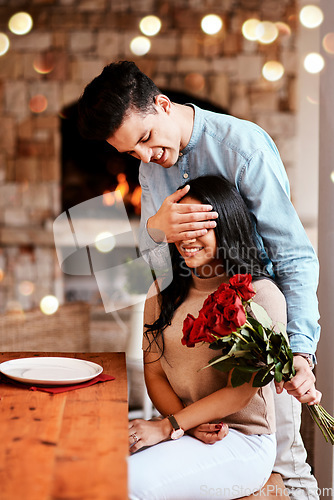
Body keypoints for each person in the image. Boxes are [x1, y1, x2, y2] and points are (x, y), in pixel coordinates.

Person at [77, 61, 320, 499]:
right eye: (132, 153)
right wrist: (154, 228)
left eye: (147, 139)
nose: (146, 158)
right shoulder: (151, 169)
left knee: (289, 464)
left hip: (258, 327)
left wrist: (300, 350)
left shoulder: (243, 148)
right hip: (192, 345)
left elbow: (294, 256)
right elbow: (157, 267)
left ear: (163, 104)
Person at [127, 175, 320, 500]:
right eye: (181, 228)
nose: (187, 238)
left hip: (243, 440)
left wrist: (168, 426)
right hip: (185, 428)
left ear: (226, 225)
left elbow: (240, 392)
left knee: (127, 484)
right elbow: (155, 372)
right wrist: (183, 423)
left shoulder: (259, 295)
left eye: (200, 226)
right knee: (94, 468)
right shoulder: (160, 292)